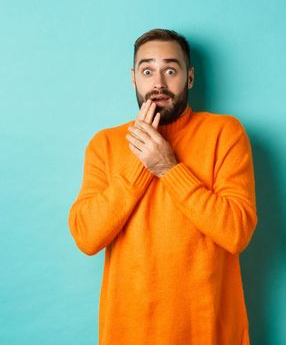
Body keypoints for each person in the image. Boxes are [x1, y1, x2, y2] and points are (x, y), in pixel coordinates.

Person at [68, 28, 258, 344]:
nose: (158, 83)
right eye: (147, 71)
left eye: (170, 70)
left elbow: (236, 232)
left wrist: (168, 168)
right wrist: (140, 164)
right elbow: (87, 237)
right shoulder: (105, 144)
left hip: (208, 331)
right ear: (133, 78)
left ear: (190, 77)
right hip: (129, 333)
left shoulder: (225, 133)